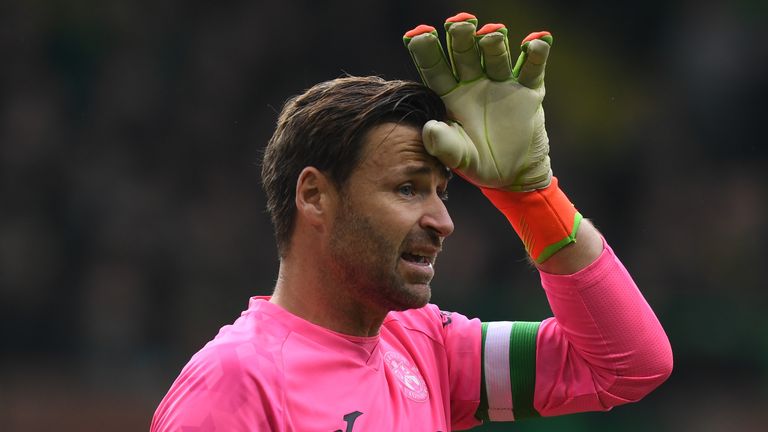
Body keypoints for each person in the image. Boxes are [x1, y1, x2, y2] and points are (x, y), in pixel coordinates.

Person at [151, 12, 672, 431]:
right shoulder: (236, 382)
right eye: (407, 188)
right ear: (314, 197)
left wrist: (531, 196)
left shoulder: (427, 346)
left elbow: (629, 366)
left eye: (441, 192)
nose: (443, 221)